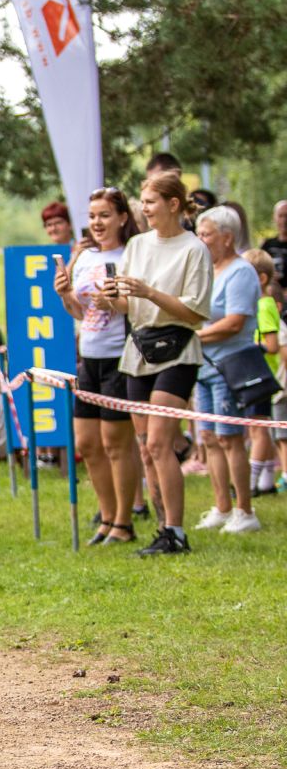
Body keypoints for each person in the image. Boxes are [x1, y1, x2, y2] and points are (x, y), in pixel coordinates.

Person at [105, 172, 212, 555]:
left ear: (173, 204)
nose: (144, 209)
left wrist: (150, 291)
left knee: (159, 442)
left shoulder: (193, 249)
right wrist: (108, 299)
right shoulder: (135, 245)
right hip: (139, 350)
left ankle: (176, 532)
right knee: (145, 446)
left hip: (178, 350)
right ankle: (162, 526)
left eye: (150, 202)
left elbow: (195, 313)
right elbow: (125, 306)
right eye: (143, 202)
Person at [53, 185, 142, 545]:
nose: (97, 223)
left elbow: (137, 308)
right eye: (92, 217)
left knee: (116, 444)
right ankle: (106, 517)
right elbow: (80, 312)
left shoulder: (132, 255)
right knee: (87, 443)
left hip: (120, 357)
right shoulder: (86, 258)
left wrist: (117, 304)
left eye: (105, 215)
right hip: (88, 357)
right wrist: (65, 294)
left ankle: (124, 521)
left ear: (122, 217)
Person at [190, 206, 261, 535]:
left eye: (206, 234)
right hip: (204, 367)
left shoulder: (241, 272)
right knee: (208, 437)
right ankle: (222, 507)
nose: (201, 240)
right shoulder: (208, 271)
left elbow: (234, 323)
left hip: (230, 365)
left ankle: (245, 510)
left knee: (230, 438)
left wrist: (194, 337)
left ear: (227, 238)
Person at [244, 249, 282, 497]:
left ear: (261, 279)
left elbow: (272, 345)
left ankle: (250, 483)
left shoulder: (264, 304)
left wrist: (247, 345)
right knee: (259, 428)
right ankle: (266, 482)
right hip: (252, 373)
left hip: (261, 374)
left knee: (258, 429)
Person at [259, 200, 287, 287]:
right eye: (280, 216)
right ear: (274, 218)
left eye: (286, 216)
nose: (284, 220)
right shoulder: (267, 245)